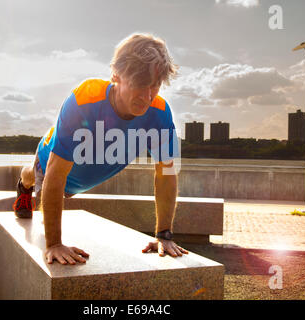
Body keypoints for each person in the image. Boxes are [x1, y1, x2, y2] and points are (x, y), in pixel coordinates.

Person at [12, 33, 188, 265]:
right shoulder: (84, 99)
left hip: (80, 175)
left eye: (154, 86)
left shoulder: (161, 113)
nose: (147, 97)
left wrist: (163, 235)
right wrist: (54, 244)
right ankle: (23, 186)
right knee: (33, 174)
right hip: (51, 165)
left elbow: (166, 174)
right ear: (116, 75)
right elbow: (55, 174)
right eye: (139, 85)